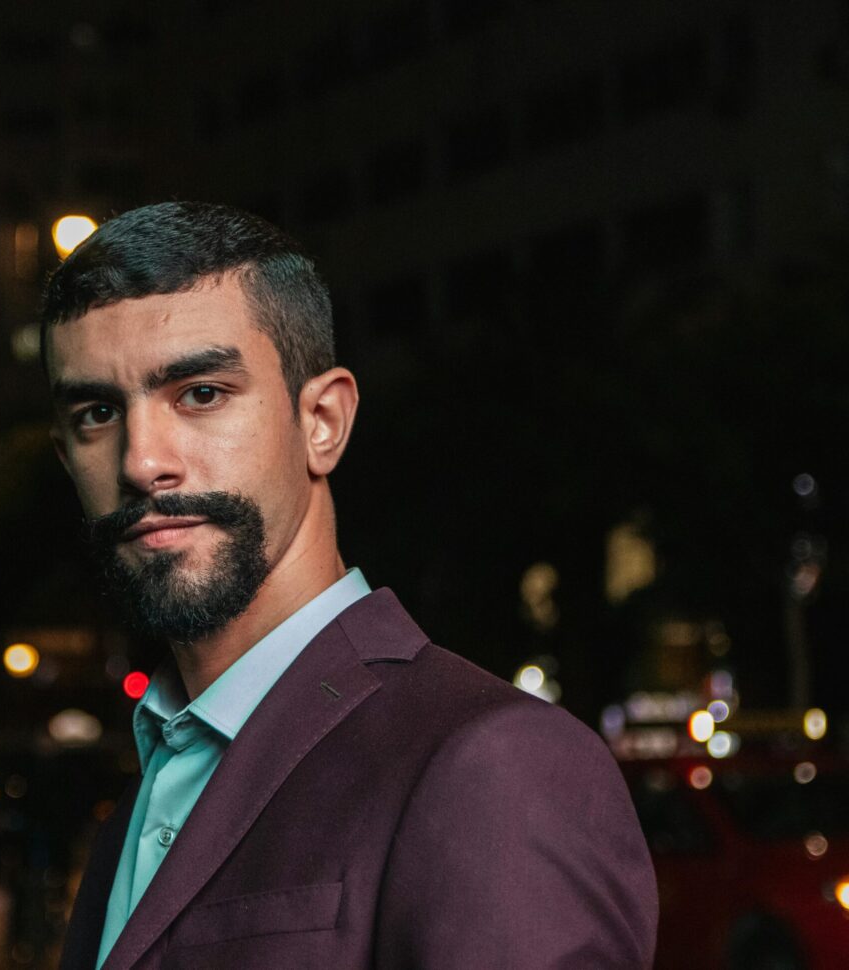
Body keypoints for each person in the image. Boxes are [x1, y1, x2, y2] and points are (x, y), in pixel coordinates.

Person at [42, 201, 657, 970]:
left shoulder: (492, 764)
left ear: (323, 422)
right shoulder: (139, 802)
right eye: (97, 412)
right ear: (68, 458)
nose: (141, 462)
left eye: (201, 393)